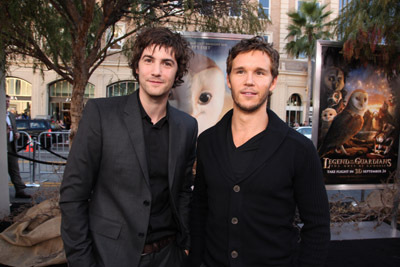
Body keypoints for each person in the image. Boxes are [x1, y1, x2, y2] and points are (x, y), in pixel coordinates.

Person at [59, 27, 197, 267]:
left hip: (169, 256)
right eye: (148, 60)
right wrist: (82, 261)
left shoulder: (187, 126)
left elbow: (184, 191)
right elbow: (73, 196)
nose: (156, 71)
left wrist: (185, 246)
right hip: (111, 256)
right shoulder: (101, 114)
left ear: (177, 73)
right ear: (137, 67)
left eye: (167, 63)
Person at [189, 37, 330, 266]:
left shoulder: (299, 150)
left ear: (273, 82)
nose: (249, 81)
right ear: (229, 79)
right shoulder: (207, 142)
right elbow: (200, 211)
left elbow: (318, 227)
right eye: (240, 71)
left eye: (260, 73)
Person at [6, 95, 31, 199]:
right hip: (3, 146)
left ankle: (20, 190)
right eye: (5, 101)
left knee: (14, 169)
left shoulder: (10, 115)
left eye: (8, 101)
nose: (7, 103)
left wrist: (17, 134)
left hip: (11, 146)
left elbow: (15, 129)